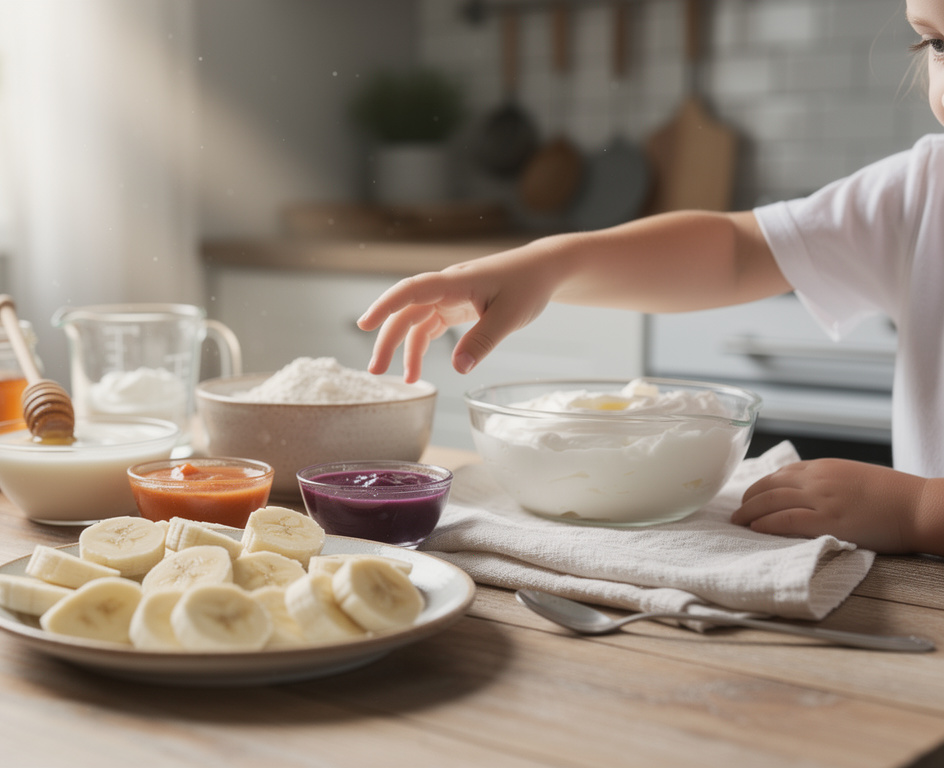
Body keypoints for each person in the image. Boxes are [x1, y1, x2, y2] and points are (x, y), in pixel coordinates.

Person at [357, 0, 944, 555]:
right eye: (938, 44)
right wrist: (552, 264)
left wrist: (918, 509)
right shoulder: (922, 189)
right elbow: (737, 252)